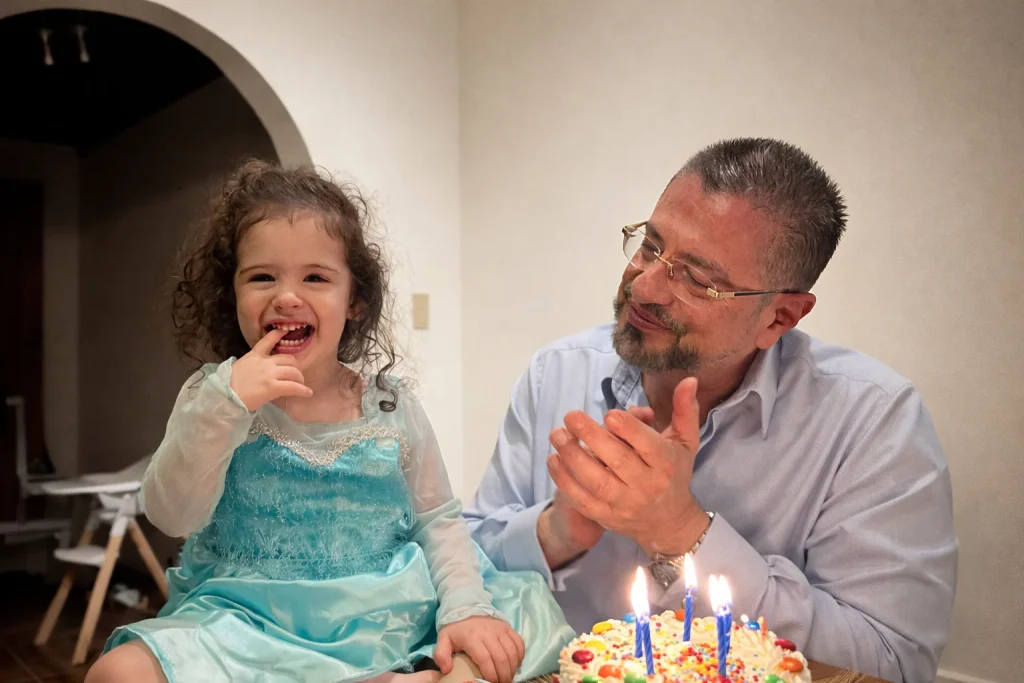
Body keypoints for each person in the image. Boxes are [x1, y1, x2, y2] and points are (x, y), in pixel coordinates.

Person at [465, 138, 957, 683]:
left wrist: (680, 530)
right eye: (651, 246)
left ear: (780, 317)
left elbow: (894, 663)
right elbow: (464, 573)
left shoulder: (872, 422)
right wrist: (557, 532)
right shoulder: (556, 373)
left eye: (698, 279)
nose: (645, 286)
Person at [86, 161, 573, 683]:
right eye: (262, 277)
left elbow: (438, 520)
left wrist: (464, 607)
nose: (287, 296)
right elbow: (171, 514)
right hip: (248, 621)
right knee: (116, 673)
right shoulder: (212, 394)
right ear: (233, 296)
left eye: (315, 278)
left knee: (509, 628)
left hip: (382, 613)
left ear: (355, 302)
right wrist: (226, 408)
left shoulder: (391, 406)